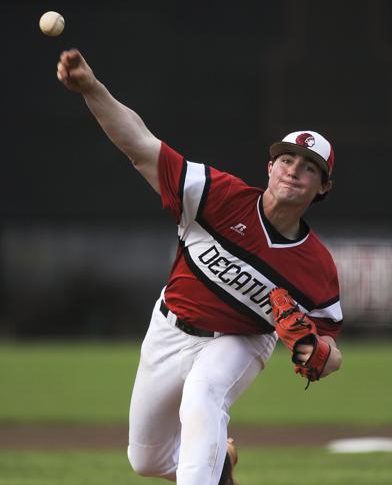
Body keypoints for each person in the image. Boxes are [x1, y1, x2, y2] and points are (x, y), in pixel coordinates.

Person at [57, 49, 343, 485]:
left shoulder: (316, 265)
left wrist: (317, 354)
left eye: (308, 168)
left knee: (203, 397)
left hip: (241, 340)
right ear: (269, 167)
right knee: (147, 461)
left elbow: (327, 348)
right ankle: (219, 464)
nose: (293, 171)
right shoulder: (216, 195)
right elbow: (139, 145)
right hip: (169, 326)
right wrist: (91, 89)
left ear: (321, 187)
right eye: (286, 160)